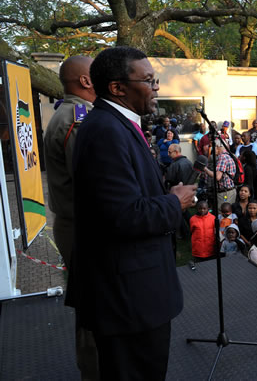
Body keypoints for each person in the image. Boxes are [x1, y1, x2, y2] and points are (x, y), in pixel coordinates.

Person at [68, 47, 196, 379]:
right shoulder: (105, 132)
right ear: (117, 88)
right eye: (149, 80)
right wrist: (174, 202)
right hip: (128, 298)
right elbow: (122, 216)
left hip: (135, 292)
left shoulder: (117, 125)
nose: (156, 88)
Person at [43, 55, 98, 378]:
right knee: (93, 307)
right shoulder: (78, 119)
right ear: (86, 81)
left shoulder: (72, 113)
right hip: (82, 227)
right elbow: (91, 182)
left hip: (77, 224)